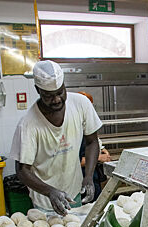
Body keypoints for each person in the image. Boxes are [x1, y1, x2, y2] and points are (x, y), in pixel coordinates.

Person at [9, 60, 102, 216]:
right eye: (49, 96)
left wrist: (88, 177)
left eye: (60, 92)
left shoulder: (81, 104)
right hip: (45, 201)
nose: (57, 99)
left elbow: (92, 141)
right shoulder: (28, 125)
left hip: (75, 194)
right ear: (38, 90)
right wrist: (50, 191)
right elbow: (22, 170)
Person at [78, 91, 111, 201]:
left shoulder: (85, 126)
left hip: (93, 177)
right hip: (80, 181)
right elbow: (74, 162)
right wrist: (99, 157)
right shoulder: (73, 131)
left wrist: (102, 150)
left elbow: (93, 142)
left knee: (95, 209)